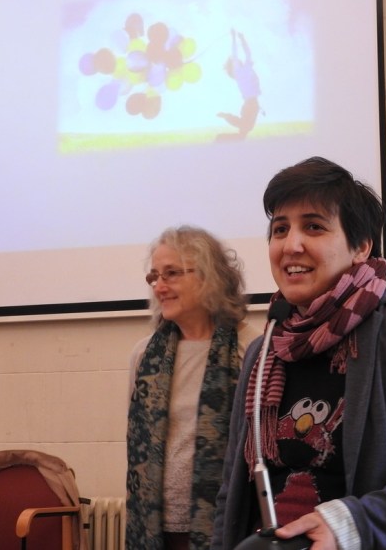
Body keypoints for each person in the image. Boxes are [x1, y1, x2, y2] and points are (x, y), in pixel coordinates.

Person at [211, 157, 386, 549]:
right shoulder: (265, 347)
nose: (291, 245)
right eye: (280, 229)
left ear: (361, 247)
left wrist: (348, 525)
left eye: (313, 226)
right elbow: (232, 492)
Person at [126, 225, 261, 550]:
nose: (159, 286)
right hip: (156, 529)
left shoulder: (250, 347)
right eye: (154, 276)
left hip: (226, 527)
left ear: (210, 276)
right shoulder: (144, 356)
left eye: (171, 273)